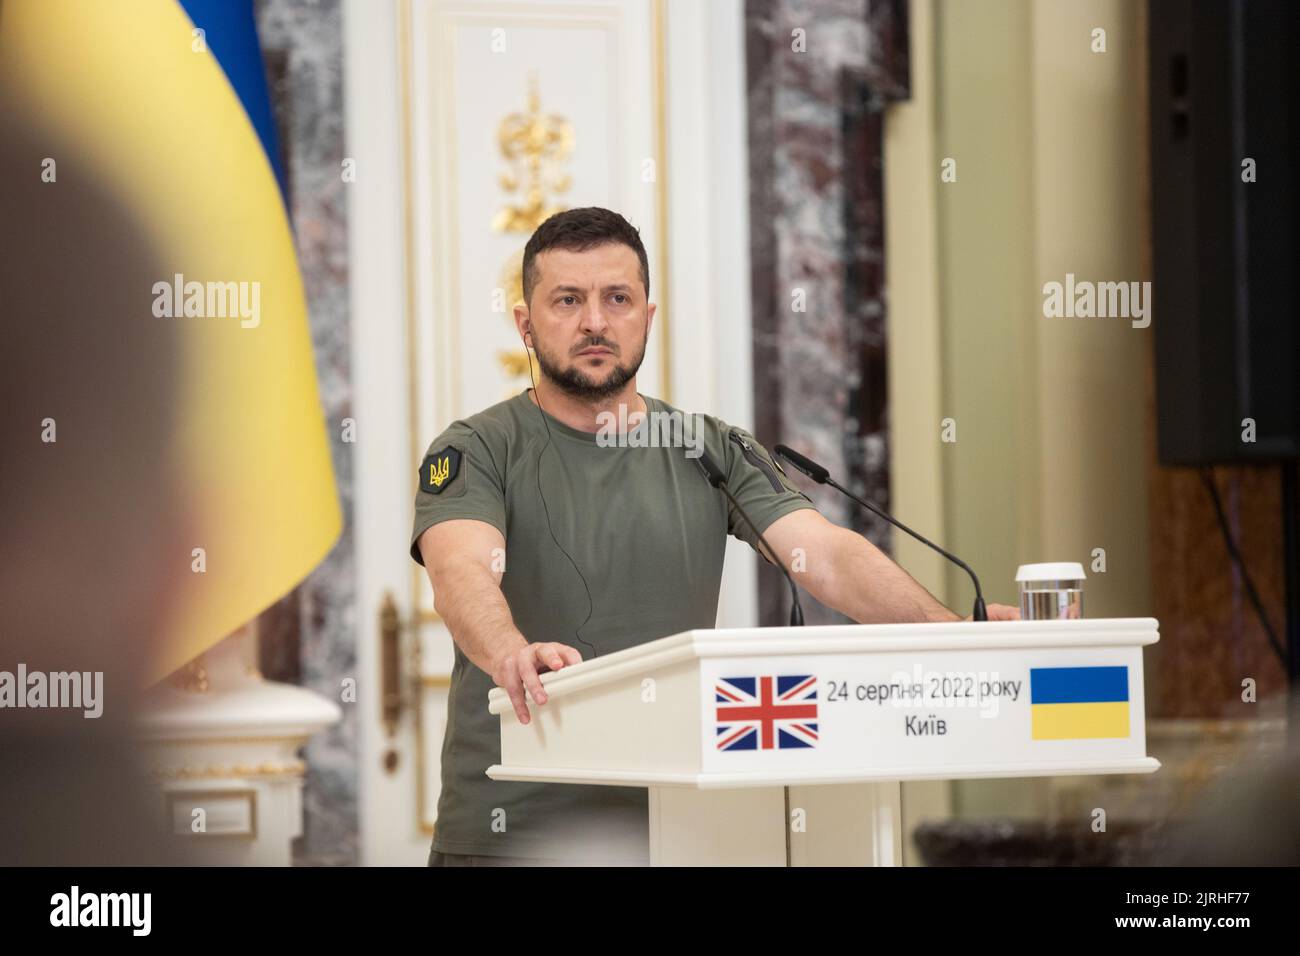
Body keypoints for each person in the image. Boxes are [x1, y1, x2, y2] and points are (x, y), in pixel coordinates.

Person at [412, 207, 1019, 866]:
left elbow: (829, 559)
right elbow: (460, 572)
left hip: (682, 829)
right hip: (510, 835)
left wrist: (951, 633)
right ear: (526, 325)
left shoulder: (705, 448)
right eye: (567, 300)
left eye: (618, 298)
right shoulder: (477, 449)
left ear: (648, 317)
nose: (594, 321)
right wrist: (509, 653)